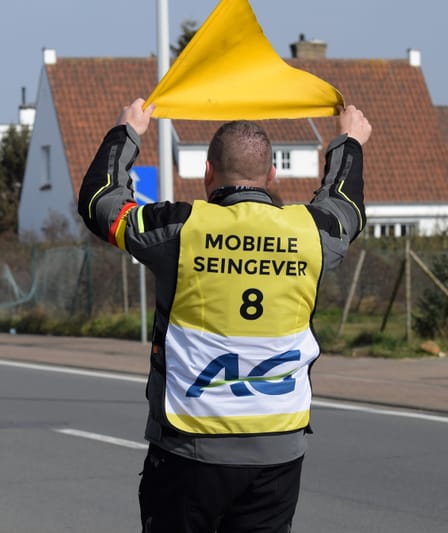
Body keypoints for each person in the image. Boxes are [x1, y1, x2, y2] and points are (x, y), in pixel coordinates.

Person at [78, 98, 371, 533]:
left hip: (190, 446)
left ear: (207, 175)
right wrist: (348, 143)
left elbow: (102, 202)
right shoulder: (313, 233)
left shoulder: (180, 228)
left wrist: (128, 131)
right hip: (278, 450)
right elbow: (345, 207)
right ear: (273, 176)